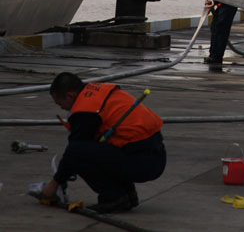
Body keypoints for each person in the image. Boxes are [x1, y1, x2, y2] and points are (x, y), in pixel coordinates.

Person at [40, 72, 166, 214]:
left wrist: (54, 184)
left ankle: (114, 197)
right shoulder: (97, 91)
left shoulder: (85, 110)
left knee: (79, 152)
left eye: (60, 103)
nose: (62, 108)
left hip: (143, 162)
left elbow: (74, 152)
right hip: (155, 155)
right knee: (97, 149)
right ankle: (126, 195)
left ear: (70, 95)